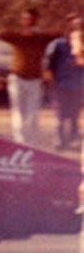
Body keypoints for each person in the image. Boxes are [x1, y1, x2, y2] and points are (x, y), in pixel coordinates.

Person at [0, 8, 58, 146]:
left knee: (33, 113)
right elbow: (0, 34)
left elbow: (57, 34)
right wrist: (20, 32)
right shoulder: (18, 37)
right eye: (25, 19)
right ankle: (20, 141)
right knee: (18, 112)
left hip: (34, 79)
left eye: (31, 20)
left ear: (36, 21)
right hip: (18, 77)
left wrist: (37, 32)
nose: (28, 22)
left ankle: (32, 143)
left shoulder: (40, 38)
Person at [44, 15, 84, 151]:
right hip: (61, 84)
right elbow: (49, 65)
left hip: (78, 85)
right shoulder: (59, 44)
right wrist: (51, 81)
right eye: (75, 26)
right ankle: (60, 139)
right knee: (61, 114)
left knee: (75, 115)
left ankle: (74, 139)